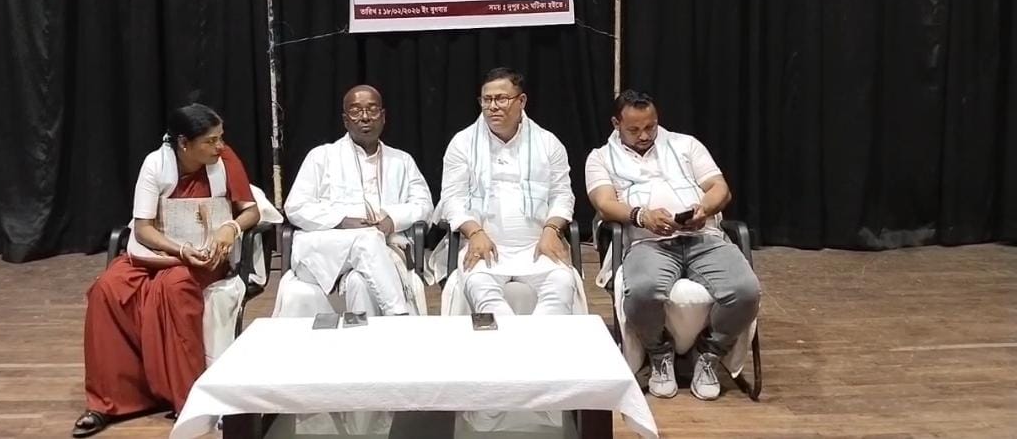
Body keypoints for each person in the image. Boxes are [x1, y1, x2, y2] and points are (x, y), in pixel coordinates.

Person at [73, 104, 261, 437]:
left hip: (206, 256)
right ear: (184, 143)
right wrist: (179, 250)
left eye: (221, 138)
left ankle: (186, 397)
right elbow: (143, 229)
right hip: (161, 253)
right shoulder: (155, 164)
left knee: (174, 286)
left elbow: (251, 211)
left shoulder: (225, 160)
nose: (220, 146)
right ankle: (107, 401)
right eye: (211, 141)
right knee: (107, 288)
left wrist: (230, 228)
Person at [586, 90, 760, 401]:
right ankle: (659, 354)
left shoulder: (686, 145)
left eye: (650, 127)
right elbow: (604, 203)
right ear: (616, 124)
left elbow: (719, 188)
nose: (644, 135)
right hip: (647, 242)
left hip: (703, 237)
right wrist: (641, 216)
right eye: (634, 129)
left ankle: (710, 354)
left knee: (746, 291)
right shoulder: (600, 158)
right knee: (642, 291)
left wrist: (703, 210)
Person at [275, 85, 433, 318]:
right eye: (356, 111)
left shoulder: (401, 160)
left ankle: (362, 339)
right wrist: (342, 221)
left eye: (372, 110)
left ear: (383, 116)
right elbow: (295, 207)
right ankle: (399, 317)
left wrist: (392, 220)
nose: (365, 117)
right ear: (345, 120)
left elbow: (424, 204)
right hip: (323, 251)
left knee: (361, 281)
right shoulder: (321, 156)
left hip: (382, 250)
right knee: (367, 239)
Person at [436, 67, 583, 316]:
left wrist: (552, 229)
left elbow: (562, 195)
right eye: (487, 100)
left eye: (501, 99)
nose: (493, 106)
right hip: (484, 246)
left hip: (537, 244)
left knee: (561, 284)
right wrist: (475, 232)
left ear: (521, 101)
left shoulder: (548, 142)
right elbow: (452, 199)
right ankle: (507, 339)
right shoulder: (462, 143)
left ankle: (538, 340)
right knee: (481, 289)